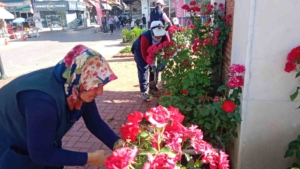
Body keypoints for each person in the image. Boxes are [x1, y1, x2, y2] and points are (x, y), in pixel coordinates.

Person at [0, 45, 124, 169]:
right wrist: (89, 158)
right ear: (81, 79)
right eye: (96, 85)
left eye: (102, 84)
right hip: (9, 145)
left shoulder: (77, 85)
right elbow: (41, 153)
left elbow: (94, 122)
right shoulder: (42, 101)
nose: (100, 92)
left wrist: (120, 145)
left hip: (40, 145)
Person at [131, 21, 170, 101]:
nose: (159, 37)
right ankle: (144, 91)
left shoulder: (165, 35)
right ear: (151, 31)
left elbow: (168, 49)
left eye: (160, 35)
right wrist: (151, 63)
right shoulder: (145, 37)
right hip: (140, 51)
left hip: (155, 50)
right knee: (143, 69)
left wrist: (164, 62)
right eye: (157, 34)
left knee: (155, 69)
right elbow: (144, 54)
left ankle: (152, 88)